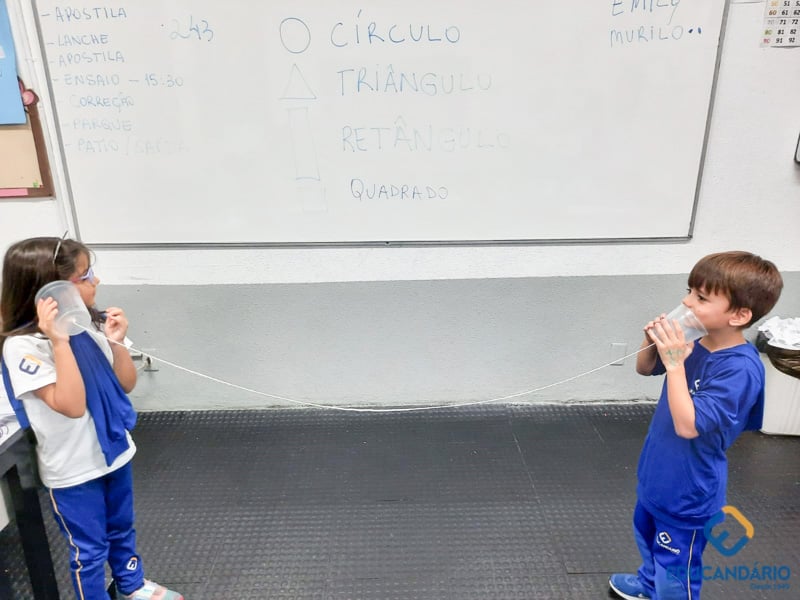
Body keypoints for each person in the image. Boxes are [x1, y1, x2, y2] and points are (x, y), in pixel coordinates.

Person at [0, 236, 183, 600]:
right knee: (89, 550)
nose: (95, 281)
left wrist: (116, 341)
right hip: (73, 469)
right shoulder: (24, 347)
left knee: (122, 528)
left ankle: (131, 584)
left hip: (114, 451)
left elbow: (125, 384)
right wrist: (60, 342)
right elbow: (70, 405)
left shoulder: (89, 324)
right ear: (50, 293)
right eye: (84, 277)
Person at [609, 251, 783, 600]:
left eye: (701, 298)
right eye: (690, 291)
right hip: (659, 474)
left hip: (689, 492)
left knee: (675, 568)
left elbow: (689, 427)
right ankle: (648, 586)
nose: (687, 302)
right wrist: (651, 342)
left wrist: (676, 365)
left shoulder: (740, 369)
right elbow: (645, 368)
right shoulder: (694, 342)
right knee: (647, 535)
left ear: (739, 315)